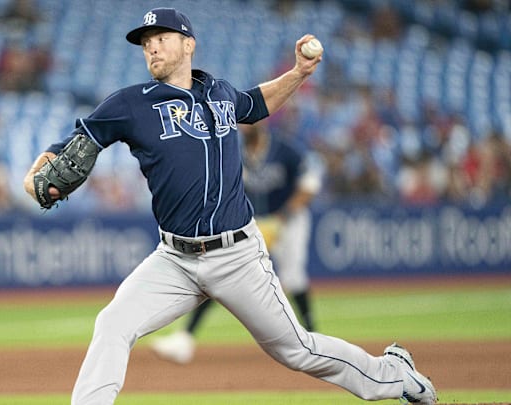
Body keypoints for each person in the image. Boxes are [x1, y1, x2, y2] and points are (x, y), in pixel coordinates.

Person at [23, 8, 437, 405]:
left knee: (297, 350)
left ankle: (396, 375)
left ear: (189, 45)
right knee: (112, 324)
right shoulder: (131, 104)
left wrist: (298, 74)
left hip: (238, 255)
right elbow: (73, 145)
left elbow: (256, 104)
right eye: (145, 42)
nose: (151, 47)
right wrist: (34, 174)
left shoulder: (219, 91)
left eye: (161, 38)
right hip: (174, 259)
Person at [150, 121, 322, 364]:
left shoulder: (284, 149)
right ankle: (185, 339)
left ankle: (313, 337)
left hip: (289, 221)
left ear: (261, 123)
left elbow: (309, 185)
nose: (243, 128)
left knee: (293, 278)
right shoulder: (236, 151)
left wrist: (282, 217)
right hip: (255, 222)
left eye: (247, 123)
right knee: (222, 272)